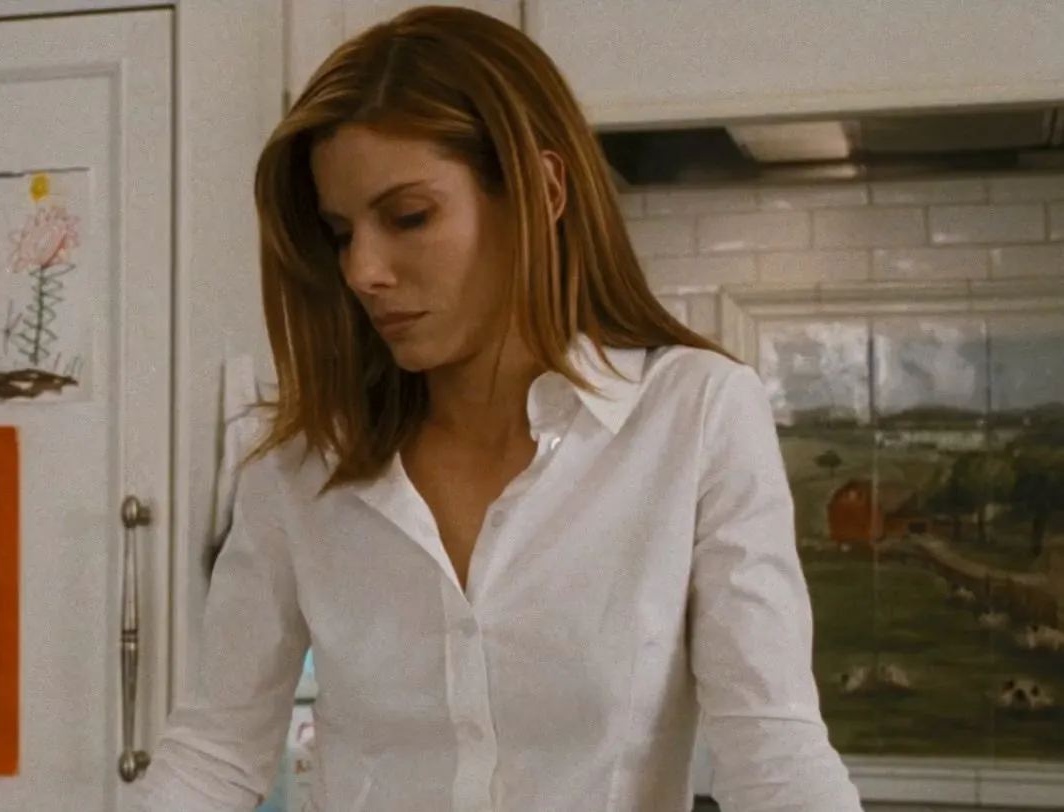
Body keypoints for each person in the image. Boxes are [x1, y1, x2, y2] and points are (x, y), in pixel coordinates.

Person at [138, 7, 861, 812]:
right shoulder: (302, 467)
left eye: (408, 217)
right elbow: (212, 756)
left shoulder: (695, 415)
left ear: (540, 190)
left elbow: (774, 755)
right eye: (340, 232)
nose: (363, 270)